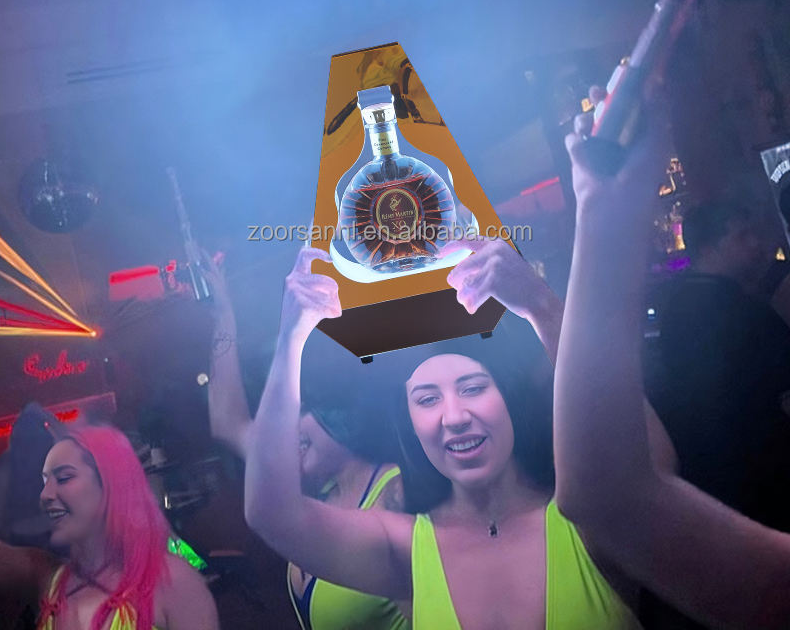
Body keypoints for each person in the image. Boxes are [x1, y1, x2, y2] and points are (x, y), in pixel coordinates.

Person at [240, 240, 676, 628]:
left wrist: (543, 307)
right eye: (427, 399)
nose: (454, 416)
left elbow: (649, 463)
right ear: (412, 426)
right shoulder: (407, 549)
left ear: (510, 403)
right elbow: (271, 513)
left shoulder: (586, 523)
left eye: (472, 388)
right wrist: (291, 339)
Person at [554, 101, 790, 629]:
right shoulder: (728, 306)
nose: (761, 245)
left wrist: (606, 215)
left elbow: (606, 496)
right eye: (747, 235)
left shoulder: (703, 304)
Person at [203, 252, 409, 630]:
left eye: (302, 411)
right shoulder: (314, 493)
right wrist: (222, 315)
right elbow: (228, 422)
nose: (289, 429)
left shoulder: (398, 493)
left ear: (345, 411)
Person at [0, 423, 219, 630]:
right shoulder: (49, 579)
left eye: (64, 478)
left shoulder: (173, 582)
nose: (45, 495)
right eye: (45, 481)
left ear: (110, 484)